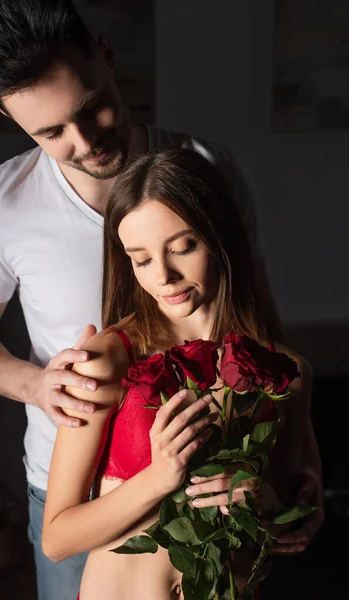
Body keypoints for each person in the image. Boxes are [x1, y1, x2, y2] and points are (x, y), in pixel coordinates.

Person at [0, 0, 322, 598]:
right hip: (75, 486)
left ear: (106, 54)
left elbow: (261, 334)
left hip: (215, 501)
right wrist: (36, 385)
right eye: (50, 132)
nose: (86, 140)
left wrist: (302, 479)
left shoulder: (212, 171)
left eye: (91, 105)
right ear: (9, 117)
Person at [42, 148, 313, 600]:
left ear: (221, 236)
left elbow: (282, 518)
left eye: (183, 246)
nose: (163, 276)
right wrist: (158, 478)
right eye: (141, 259)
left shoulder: (286, 373)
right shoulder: (105, 362)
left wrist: (264, 501)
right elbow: (56, 539)